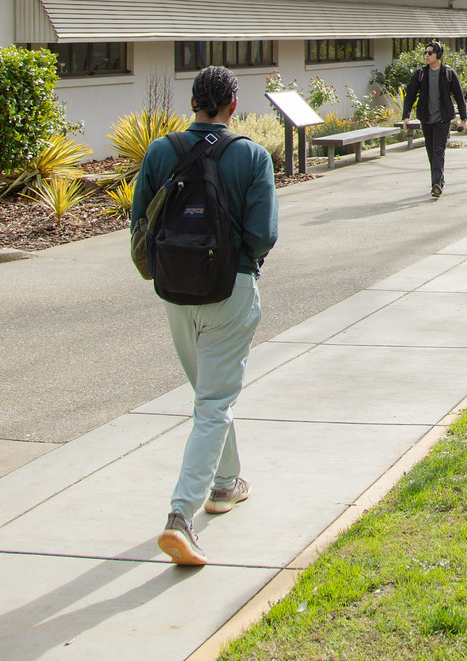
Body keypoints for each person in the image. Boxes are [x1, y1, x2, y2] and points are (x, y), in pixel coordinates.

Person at [135, 66, 279, 568]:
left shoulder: (159, 152)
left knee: (209, 396)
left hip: (175, 292)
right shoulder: (251, 155)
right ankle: (180, 517)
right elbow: (263, 233)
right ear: (233, 107)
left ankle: (225, 484)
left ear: (193, 101)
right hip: (231, 289)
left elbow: (139, 224)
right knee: (215, 401)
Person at [402, 41, 467, 199]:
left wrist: (464, 119)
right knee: (431, 153)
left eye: (430, 53)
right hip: (426, 119)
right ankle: (440, 180)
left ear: (438, 55)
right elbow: (410, 95)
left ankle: (436, 185)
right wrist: (406, 116)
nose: (427, 55)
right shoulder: (420, 74)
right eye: (425, 53)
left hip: (442, 119)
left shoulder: (448, 73)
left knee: (438, 150)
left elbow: (459, 97)